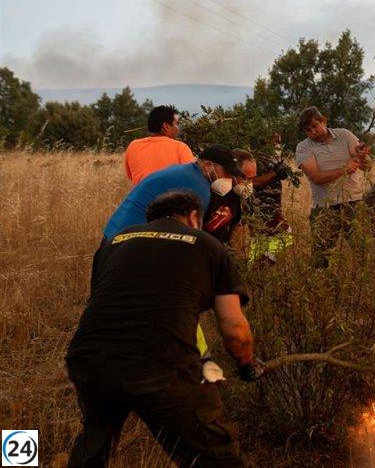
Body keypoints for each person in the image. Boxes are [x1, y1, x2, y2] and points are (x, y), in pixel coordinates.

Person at [66, 191, 263, 468]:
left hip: (88, 357)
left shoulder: (114, 242)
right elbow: (234, 329)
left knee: (94, 442)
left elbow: (102, 300)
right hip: (162, 362)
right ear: (194, 217)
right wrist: (246, 365)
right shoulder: (207, 244)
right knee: (214, 455)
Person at [103, 144, 244, 242]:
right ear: (208, 166)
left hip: (115, 234)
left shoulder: (186, 171)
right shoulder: (198, 188)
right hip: (129, 241)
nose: (229, 179)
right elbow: (190, 239)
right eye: (226, 173)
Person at [295, 106, 369, 251]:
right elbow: (316, 178)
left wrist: (363, 155)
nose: (312, 132)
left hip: (354, 202)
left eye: (314, 126)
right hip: (324, 207)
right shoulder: (303, 147)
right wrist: (345, 169)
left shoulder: (345, 135)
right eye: (308, 130)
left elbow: (365, 166)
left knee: (362, 252)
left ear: (323, 121)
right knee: (320, 258)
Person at [123, 105, 194, 185]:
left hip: (141, 197)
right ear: (166, 126)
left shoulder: (133, 146)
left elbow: (131, 176)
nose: (178, 128)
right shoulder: (181, 148)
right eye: (177, 124)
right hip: (171, 197)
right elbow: (191, 179)